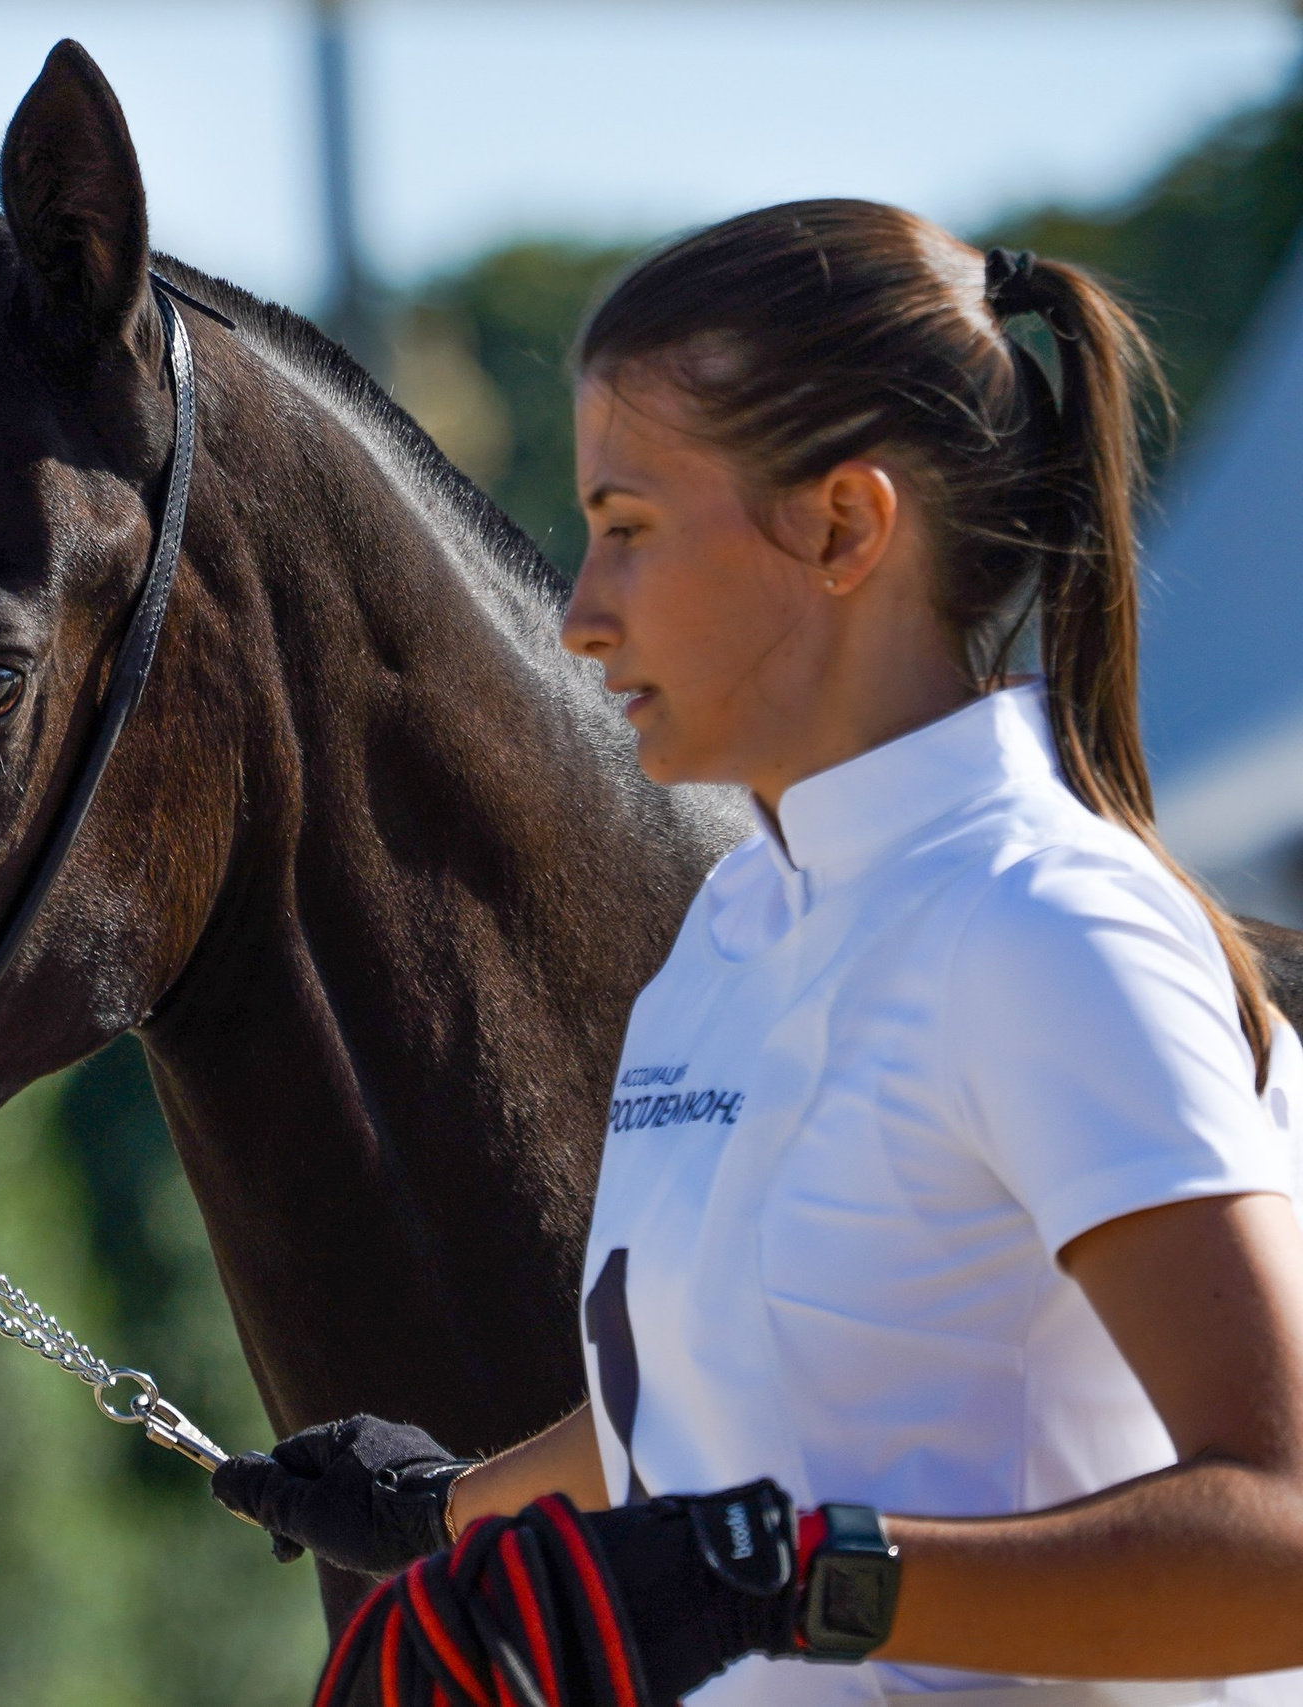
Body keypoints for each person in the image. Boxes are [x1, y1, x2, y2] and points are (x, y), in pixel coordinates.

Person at [211, 200, 1303, 1707]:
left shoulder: (1045, 927)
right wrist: (445, 1511)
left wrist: (794, 1579)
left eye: (631, 530)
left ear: (846, 527)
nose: (583, 615)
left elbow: (1282, 1547)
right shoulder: (731, 934)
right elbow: (715, 1403)